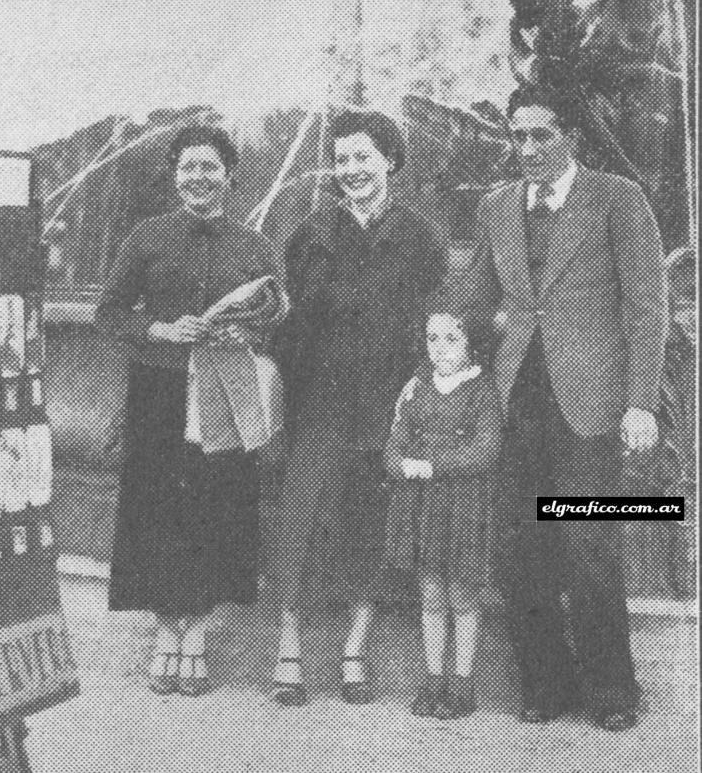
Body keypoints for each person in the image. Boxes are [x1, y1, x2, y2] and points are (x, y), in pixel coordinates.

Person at [464, 84, 667, 731]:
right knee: (520, 549)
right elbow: (476, 296)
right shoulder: (496, 206)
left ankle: (612, 692)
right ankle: (546, 685)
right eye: (517, 135)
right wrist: (488, 317)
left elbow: (646, 307)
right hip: (514, 398)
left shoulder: (616, 199)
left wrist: (640, 403)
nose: (526, 148)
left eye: (540, 135)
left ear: (572, 136)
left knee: (587, 542)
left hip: (591, 404)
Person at [95, 125, 281, 696]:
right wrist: (159, 327)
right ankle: (165, 628)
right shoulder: (147, 235)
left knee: (215, 502)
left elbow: (273, 317)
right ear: (175, 176)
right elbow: (109, 313)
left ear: (229, 176)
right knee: (156, 505)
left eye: (210, 167)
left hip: (223, 392)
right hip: (160, 388)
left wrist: (242, 336)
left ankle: (197, 629)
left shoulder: (253, 244)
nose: (198, 177)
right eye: (187, 168)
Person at [269, 109, 445, 706]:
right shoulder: (313, 232)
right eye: (341, 159)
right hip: (321, 397)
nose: (350, 170)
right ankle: (289, 646)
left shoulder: (419, 235)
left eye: (362, 157)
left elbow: (433, 321)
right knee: (300, 513)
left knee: (369, 519)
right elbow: (286, 321)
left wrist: (417, 390)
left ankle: (354, 649)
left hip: (387, 402)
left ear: (389, 161)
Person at [381, 302, 502, 720]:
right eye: (433, 338)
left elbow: (487, 450)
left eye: (452, 338)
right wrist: (399, 464)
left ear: (473, 343)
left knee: (462, 594)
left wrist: (432, 466)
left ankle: (463, 685)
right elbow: (394, 441)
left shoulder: (483, 391)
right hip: (421, 506)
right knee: (431, 594)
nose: (440, 348)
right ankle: (434, 681)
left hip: (463, 506)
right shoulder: (416, 385)